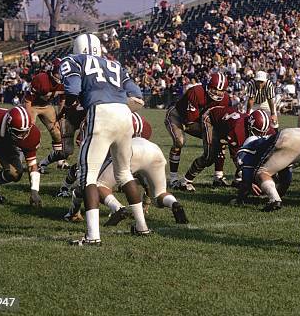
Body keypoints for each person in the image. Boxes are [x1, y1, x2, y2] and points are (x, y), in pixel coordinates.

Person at [62, 33, 148, 246]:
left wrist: (72, 104)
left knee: (88, 176)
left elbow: (72, 88)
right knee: (124, 172)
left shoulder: (73, 60)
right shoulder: (115, 64)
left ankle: (92, 236)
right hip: (124, 114)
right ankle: (142, 226)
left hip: (100, 112)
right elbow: (136, 94)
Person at [65, 137, 189, 226]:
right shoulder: (134, 120)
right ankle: (174, 204)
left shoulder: (100, 125)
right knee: (160, 195)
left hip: (130, 151)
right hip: (154, 150)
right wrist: (146, 201)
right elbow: (142, 179)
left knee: (98, 185)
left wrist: (73, 211)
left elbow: (82, 186)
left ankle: (118, 208)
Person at [164, 73, 229, 191]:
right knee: (179, 141)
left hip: (199, 121)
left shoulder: (225, 99)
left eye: (221, 90)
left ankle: (218, 176)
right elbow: (190, 122)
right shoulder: (196, 92)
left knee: (221, 139)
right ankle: (173, 179)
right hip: (178, 116)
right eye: (215, 89)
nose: (218, 93)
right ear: (209, 86)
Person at [237, 127, 300, 212]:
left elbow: (246, 182)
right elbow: (286, 180)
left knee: (262, 173)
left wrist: (240, 198)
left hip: (291, 138)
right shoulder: (266, 144)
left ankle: (274, 200)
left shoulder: (247, 150)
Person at [24, 59, 68, 173]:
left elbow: (62, 100)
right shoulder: (41, 78)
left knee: (57, 132)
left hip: (46, 105)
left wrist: (60, 115)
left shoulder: (65, 81)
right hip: (32, 105)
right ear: (53, 70)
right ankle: (20, 161)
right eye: (59, 71)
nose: (61, 74)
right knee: (28, 133)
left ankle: (60, 161)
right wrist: (29, 118)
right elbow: (28, 100)